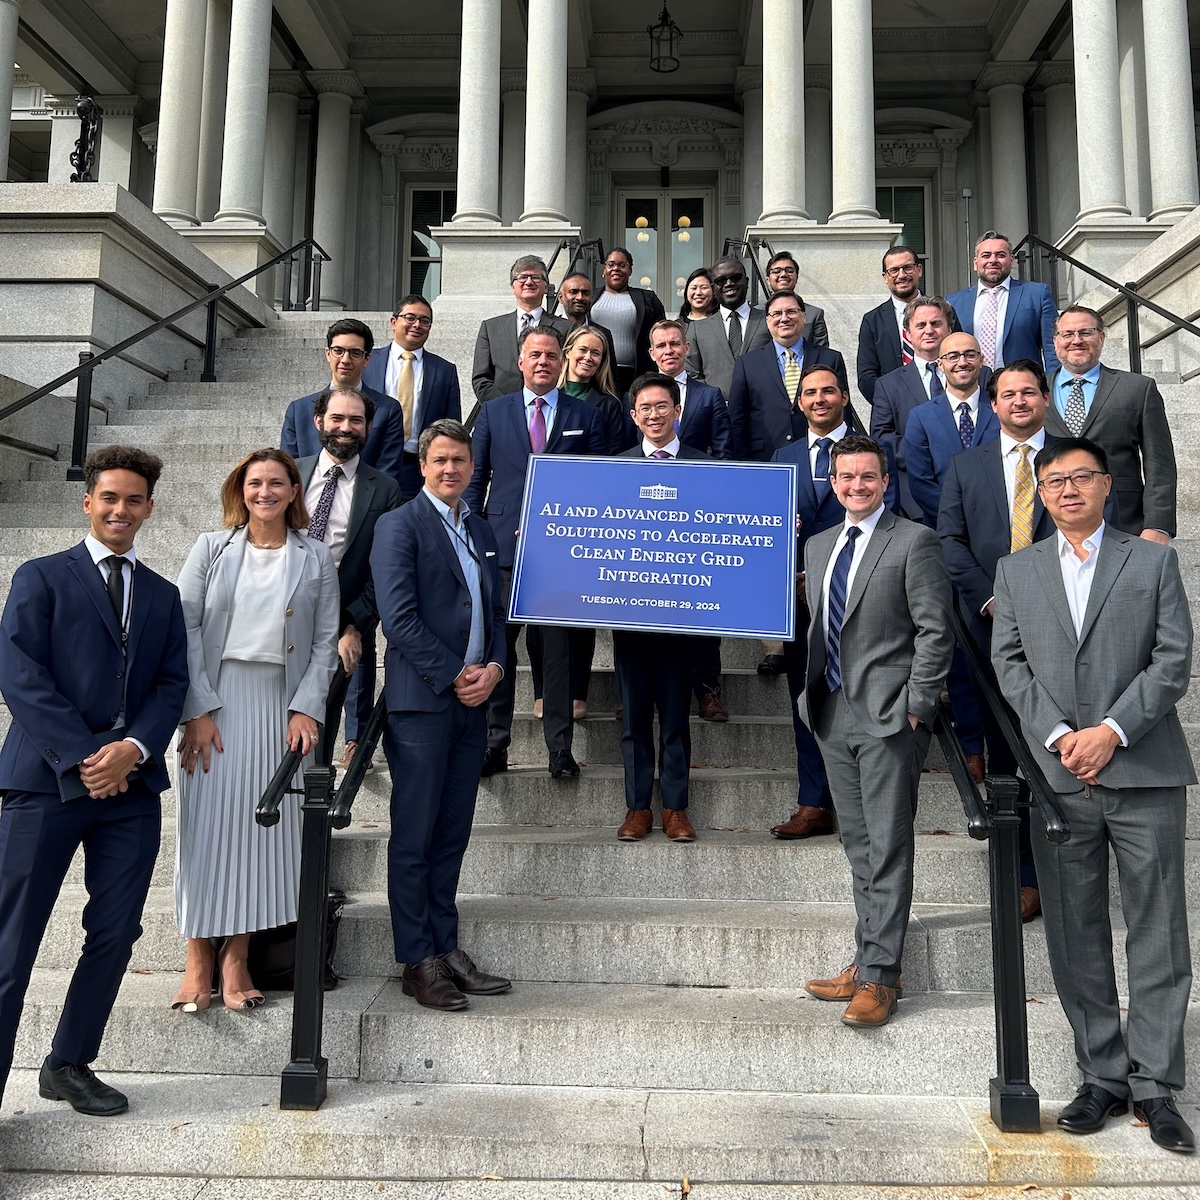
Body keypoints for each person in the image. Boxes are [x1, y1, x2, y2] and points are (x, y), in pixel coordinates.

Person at [991, 437, 1196, 1155]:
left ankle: (1155, 1085)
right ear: (1039, 494)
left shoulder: (1152, 561)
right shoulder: (1016, 572)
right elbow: (1008, 666)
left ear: (1108, 486)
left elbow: (1174, 660)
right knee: (1075, 932)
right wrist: (1058, 737)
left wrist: (1110, 729)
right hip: (1060, 780)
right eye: (1053, 482)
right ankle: (1103, 1074)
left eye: (1080, 478)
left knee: (1159, 926)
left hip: (1143, 771)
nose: (1067, 490)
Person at [0, 446, 188, 1116]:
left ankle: (69, 1063)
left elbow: (171, 685)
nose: (120, 510)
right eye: (109, 497)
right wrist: (87, 756)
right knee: (11, 943)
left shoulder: (164, 596)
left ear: (148, 508)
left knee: (115, 933)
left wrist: (132, 749)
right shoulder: (42, 577)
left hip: (129, 794)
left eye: (133, 500)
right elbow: (20, 675)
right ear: (88, 501)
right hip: (44, 784)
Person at [938, 360, 1121, 922]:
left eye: (1028, 392)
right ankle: (1021, 876)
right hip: (994, 635)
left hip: (1074, 634)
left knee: (1072, 744)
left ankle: (1076, 865)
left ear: (1046, 398)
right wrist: (995, 600)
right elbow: (951, 540)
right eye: (1007, 394)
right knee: (1007, 759)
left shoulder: (1075, 461)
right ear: (991, 405)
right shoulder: (966, 466)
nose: (1018, 402)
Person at [173, 449, 339, 1014]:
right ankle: (198, 953)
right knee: (207, 829)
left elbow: (324, 641)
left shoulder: (315, 556)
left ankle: (236, 956)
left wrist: (305, 708)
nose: (264, 492)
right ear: (239, 490)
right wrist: (196, 708)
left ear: (296, 491)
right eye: (254, 483)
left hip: (279, 707)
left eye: (276, 483)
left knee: (261, 835)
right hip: (215, 706)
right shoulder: (209, 549)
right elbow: (185, 630)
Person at [802, 435, 953, 1028]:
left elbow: (934, 630)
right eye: (846, 477)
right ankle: (867, 961)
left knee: (887, 847)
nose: (857, 486)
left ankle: (882, 978)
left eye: (868, 477)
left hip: (891, 718)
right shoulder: (818, 546)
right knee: (858, 846)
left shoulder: (914, 541)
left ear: (885, 481)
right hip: (832, 715)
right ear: (833, 482)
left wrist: (917, 704)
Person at [370, 419, 511, 1011]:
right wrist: (456, 673)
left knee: (452, 832)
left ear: (471, 466)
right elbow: (398, 619)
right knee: (415, 834)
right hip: (423, 703)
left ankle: (445, 945)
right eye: (441, 460)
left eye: (460, 460)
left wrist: (496, 670)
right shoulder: (398, 526)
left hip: (473, 703)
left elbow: (500, 614)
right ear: (423, 466)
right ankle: (416, 958)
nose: (451, 469)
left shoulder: (478, 527)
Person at [464, 325, 607, 779]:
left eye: (550, 355)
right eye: (534, 355)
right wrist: (472, 534)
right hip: (501, 546)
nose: (543, 361)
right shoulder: (493, 411)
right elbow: (475, 477)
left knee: (558, 653)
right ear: (521, 362)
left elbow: (599, 480)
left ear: (561, 362)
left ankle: (559, 748)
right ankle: (494, 744)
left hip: (562, 552)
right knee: (498, 648)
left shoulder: (585, 413)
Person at [769, 368, 899, 841]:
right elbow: (768, 528)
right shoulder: (781, 456)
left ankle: (865, 798)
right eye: (810, 393)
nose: (819, 399)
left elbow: (889, 519)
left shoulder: (872, 452)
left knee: (864, 693)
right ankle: (814, 800)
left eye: (828, 390)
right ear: (799, 402)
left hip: (862, 600)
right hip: (801, 605)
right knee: (807, 700)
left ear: (844, 397)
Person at [613, 373, 706, 844]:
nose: (654, 414)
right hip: (629, 619)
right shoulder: (616, 470)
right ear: (634, 416)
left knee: (674, 717)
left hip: (682, 620)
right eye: (645, 407)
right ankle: (636, 808)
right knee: (632, 718)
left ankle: (674, 808)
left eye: (662, 406)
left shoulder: (707, 467)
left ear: (677, 411)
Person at [296, 387, 403, 769]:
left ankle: (315, 824)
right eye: (337, 418)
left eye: (355, 420)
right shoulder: (288, 473)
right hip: (276, 622)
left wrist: (353, 626)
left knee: (318, 742)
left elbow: (384, 570)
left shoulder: (385, 490)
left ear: (368, 427)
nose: (346, 427)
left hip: (338, 630)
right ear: (318, 421)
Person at [529, 325, 629, 726]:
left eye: (598, 354)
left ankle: (577, 692)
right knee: (536, 613)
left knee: (581, 613)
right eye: (583, 350)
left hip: (582, 522)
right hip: (533, 523)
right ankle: (542, 691)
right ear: (566, 351)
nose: (589, 358)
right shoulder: (536, 396)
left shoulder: (604, 405)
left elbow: (608, 468)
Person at [640, 317, 732, 721]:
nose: (669, 351)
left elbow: (725, 455)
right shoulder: (641, 394)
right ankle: (641, 687)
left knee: (702, 604)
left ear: (687, 348)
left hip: (699, 516)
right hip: (647, 516)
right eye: (661, 345)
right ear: (651, 353)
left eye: (675, 343)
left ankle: (707, 688)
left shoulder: (709, 396)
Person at [1043, 305, 1176, 542]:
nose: (1076, 340)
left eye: (1086, 332)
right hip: (1052, 524)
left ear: (1101, 337)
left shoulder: (1138, 389)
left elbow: (1160, 462)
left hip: (1125, 522)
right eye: (1068, 334)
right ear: (1055, 341)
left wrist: (1158, 525)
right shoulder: (1034, 392)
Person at [359, 294, 462, 504]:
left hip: (416, 469)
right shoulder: (367, 362)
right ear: (393, 322)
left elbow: (451, 425)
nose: (417, 325)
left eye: (424, 321)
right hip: (370, 462)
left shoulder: (444, 371)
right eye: (410, 318)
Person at [727, 288, 849, 462]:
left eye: (791, 311)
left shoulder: (830, 358)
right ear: (767, 321)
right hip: (764, 459)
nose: (784, 318)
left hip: (822, 458)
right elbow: (737, 420)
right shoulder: (747, 363)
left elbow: (844, 413)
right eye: (776, 313)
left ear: (804, 317)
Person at [280, 319, 405, 486]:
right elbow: (288, 470)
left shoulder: (388, 409)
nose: (345, 359)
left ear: (367, 359)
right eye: (338, 350)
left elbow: (387, 473)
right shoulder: (299, 410)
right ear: (327, 354)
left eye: (355, 353)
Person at [869, 296, 955, 520]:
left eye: (936, 324)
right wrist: (925, 455)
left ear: (949, 329)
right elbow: (882, 437)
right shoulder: (888, 385)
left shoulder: (978, 376)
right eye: (921, 325)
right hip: (913, 503)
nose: (929, 331)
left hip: (971, 496)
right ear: (907, 333)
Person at [904, 333, 999, 527]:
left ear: (982, 360)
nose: (962, 362)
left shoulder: (1001, 410)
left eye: (970, 355)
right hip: (944, 529)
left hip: (999, 524)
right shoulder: (921, 417)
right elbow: (920, 482)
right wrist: (957, 517)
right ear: (940, 364)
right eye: (953, 356)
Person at [856, 246, 960, 406]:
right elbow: (867, 377)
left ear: (919, 270)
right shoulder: (872, 321)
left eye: (907, 267)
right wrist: (891, 405)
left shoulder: (944, 311)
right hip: (895, 414)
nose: (902, 275)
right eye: (894, 270)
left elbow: (959, 356)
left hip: (946, 406)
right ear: (885, 277)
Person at [946, 230, 1060, 373]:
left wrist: (1052, 384)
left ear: (1011, 261)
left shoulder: (1037, 294)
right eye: (986, 255)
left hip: (1021, 387)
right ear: (976, 263)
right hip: (972, 387)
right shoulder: (954, 302)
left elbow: (1053, 347)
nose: (993, 260)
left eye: (1000, 255)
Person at [471, 256, 571, 404]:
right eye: (522, 277)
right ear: (513, 287)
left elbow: (570, 374)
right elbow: (481, 378)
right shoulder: (491, 328)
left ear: (545, 287)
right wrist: (508, 407)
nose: (529, 282)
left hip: (549, 411)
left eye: (536, 277)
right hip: (501, 413)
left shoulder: (566, 328)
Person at [685, 256, 771, 400]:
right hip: (717, 415)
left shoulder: (768, 321)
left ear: (747, 282)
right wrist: (713, 402)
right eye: (721, 280)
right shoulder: (697, 329)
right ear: (713, 288)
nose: (729, 283)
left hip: (763, 411)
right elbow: (691, 373)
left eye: (736, 277)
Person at [589, 247, 665, 393]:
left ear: (630, 271)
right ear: (604, 269)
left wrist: (652, 368)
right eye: (611, 265)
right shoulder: (590, 297)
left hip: (636, 375)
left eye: (622, 265)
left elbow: (660, 335)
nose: (615, 269)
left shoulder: (648, 299)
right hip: (597, 371)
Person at [762, 250, 830, 345]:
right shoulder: (754, 314)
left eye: (789, 271)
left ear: (797, 278)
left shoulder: (814, 314)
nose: (783, 275)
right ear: (768, 280)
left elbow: (822, 353)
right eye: (777, 271)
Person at [557, 271, 618, 367]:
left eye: (585, 293)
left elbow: (611, 376)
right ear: (560, 297)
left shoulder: (604, 334)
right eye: (574, 292)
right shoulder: (550, 330)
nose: (580, 297)